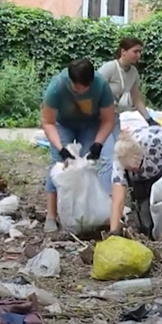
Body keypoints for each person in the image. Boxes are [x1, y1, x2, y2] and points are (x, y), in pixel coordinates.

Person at [41, 58, 116, 233]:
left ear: (91, 82)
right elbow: (48, 121)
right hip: (62, 125)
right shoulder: (57, 86)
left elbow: (108, 120)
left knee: (91, 165)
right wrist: (61, 149)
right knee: (60, 166)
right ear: (71, 80)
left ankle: (92, 212)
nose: (80, 91)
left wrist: (98, 144)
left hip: (90, 124)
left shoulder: (101, 86)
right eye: (77, 87)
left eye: (85, 87)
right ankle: (51, 216)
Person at [109, 126, 162, 239]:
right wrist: (113, 232)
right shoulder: (119, 163)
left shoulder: (155, 141)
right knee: (146, 212)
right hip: (142, 182)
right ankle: (153, 235)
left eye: (136, 167)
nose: (135, 171)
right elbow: (118, 201)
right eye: (131, 170)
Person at [97, 37, 159, 137]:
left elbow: (136, 99)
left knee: (117, 147)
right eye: (135, 51)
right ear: (123, 52)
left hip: (114, 116)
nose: (138, 55)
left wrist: (149, 120)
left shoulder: (133, 72)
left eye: (140, 52)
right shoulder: (109, 68)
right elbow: (93, 90)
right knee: (106, 149)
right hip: (99, 117)